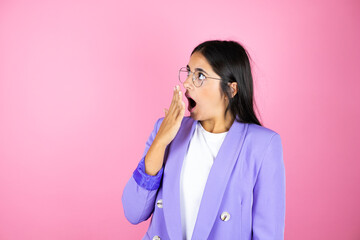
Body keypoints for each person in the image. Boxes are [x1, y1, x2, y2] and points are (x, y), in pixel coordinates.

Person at [122, 40, 286, 240]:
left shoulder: (263, 145)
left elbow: (268, 234)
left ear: (231, 89)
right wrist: (160, 142)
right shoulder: (166, 130)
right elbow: (133, 212)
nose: (187, 83)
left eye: (199, 75)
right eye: (188, 72)